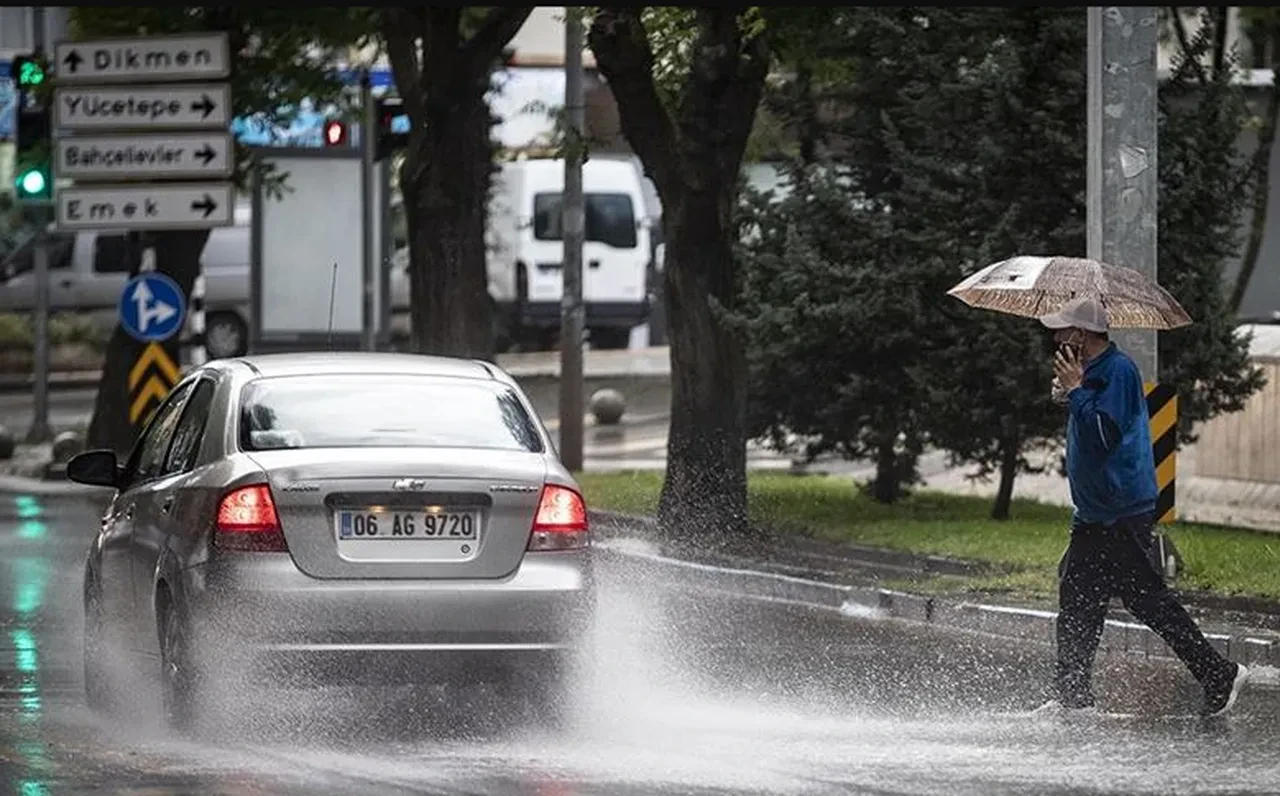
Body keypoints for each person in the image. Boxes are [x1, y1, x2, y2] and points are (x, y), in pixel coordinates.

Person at [1037, 295, 1248, 717]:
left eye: (1063, 329)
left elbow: (1103, 435)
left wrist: (1077, 392)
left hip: (1120, 510)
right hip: (1095, 512)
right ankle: (1072, 696)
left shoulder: (1117, 371)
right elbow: (1087, 418)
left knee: (1148, 600)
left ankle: (1220, 675)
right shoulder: (1091, 371)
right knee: (1078, 599)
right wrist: (1068, 393)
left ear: (1080, 334)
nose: (1056, 336)